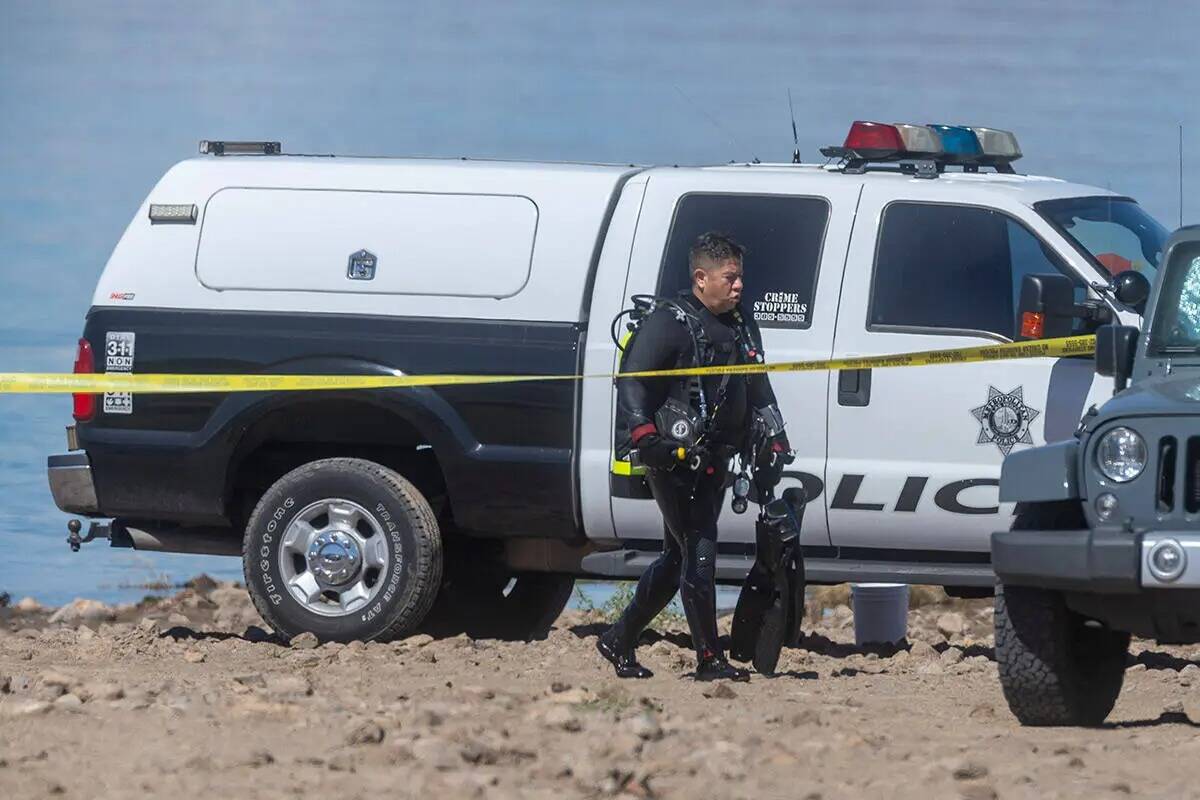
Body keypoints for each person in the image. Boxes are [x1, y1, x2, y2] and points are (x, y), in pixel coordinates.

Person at [597, 232, 791, 681]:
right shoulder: (670, 322)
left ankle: (618, 640)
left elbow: (757, 379)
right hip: (676, 459)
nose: (740, 284)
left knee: (675, 558)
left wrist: (776, 433)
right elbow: (632, 381)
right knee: (700, 553)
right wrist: (644, 435)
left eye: (741, 276)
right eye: (731, 277)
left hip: (718, 457)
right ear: (702, 278)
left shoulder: (742, 323)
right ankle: (709, 660)